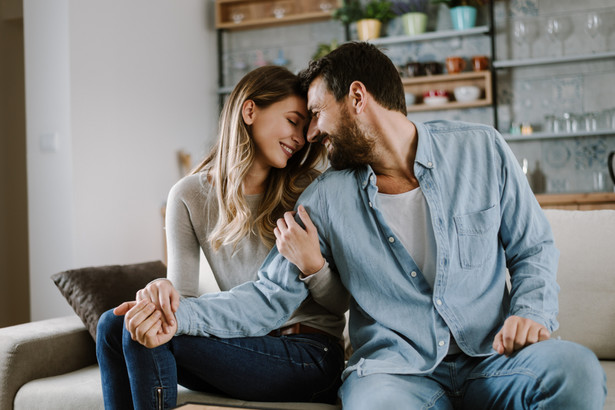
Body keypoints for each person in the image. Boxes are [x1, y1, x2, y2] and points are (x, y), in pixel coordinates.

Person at [116, 43, 607, 409]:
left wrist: (532, 312)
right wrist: (182, 316)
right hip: (393, 375)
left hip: (493, 359)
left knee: (576, 370)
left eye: (313, 114)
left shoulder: (481, 150)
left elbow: (533, 249)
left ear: (356, 97)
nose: (310, 134)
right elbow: (267, 296)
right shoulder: (325, 197)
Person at [96, 65, 348, 410]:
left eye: (305, 128)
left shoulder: (307, 192)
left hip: (310, 355)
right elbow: (182, 297)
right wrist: (163, 294)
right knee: (113, 324)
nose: (301, 138)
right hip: (242, 342)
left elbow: (335, 303)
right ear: (249, 110)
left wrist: (314, 267)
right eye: (292, 121)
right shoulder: (188, 195)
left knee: (152, 335)